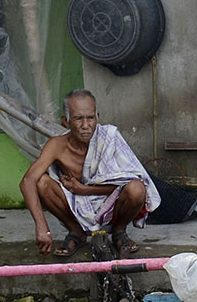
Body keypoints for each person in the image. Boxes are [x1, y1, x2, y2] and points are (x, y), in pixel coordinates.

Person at [20, 89, 161, 257]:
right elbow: (28, 180)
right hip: (74, 203)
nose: (86, 126)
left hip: (110, 201)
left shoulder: (109, 137)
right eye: (79, 118)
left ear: (97, 117)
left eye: (90, 118)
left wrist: (85, 189)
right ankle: (76, 232)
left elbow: (130, 182)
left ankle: (119, 232)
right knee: (41, 183)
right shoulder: (57, 145)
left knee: (137, 188)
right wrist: (42, 227)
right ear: (66, 121)